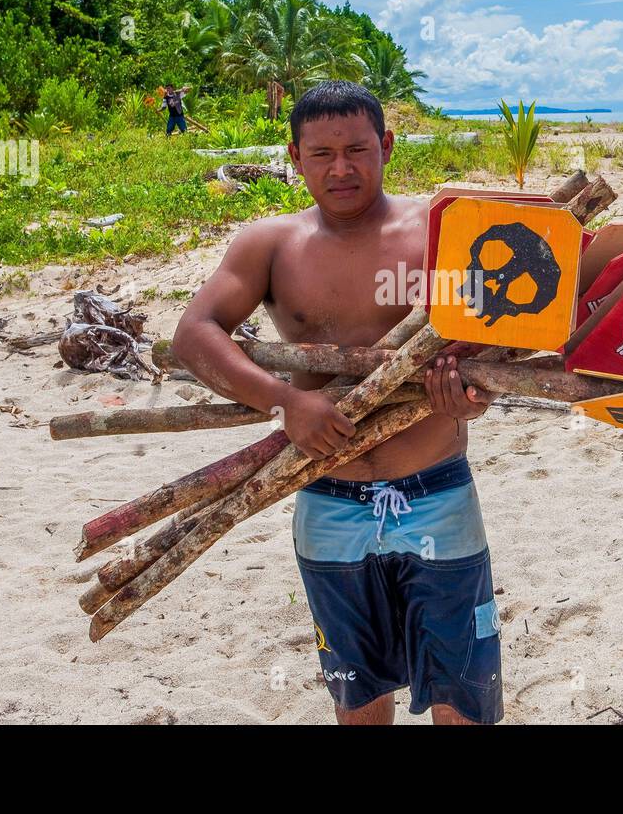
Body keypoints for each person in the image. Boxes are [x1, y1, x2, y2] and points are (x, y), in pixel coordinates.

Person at [170, 80, 503, 725]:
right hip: (328, 503)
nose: (341, 168)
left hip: (437, 494)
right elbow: (194, 332)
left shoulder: (445, 228)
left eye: (357, 149)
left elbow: (497, 347)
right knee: (357, 698)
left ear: (387, 145)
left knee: (465, 698)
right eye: (321, 153)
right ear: (294, 158)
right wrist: (287, 401)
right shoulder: (269, 244)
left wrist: (470, 397)